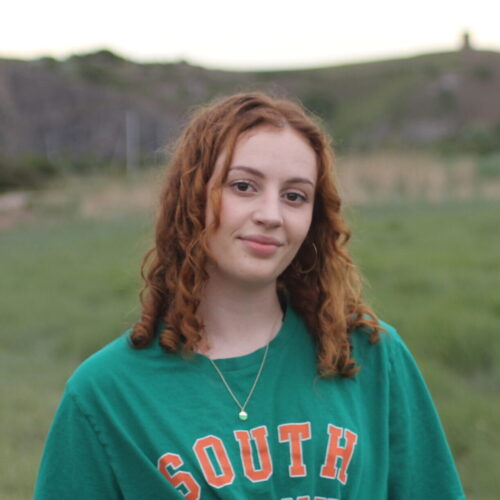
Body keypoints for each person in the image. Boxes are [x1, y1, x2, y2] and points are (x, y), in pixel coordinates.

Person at [34, 92, 465, 499]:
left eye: (295, 196)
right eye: (243, 186)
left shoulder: (369, 356)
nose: (271, 215)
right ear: (193, 197)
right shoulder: (105, 395)